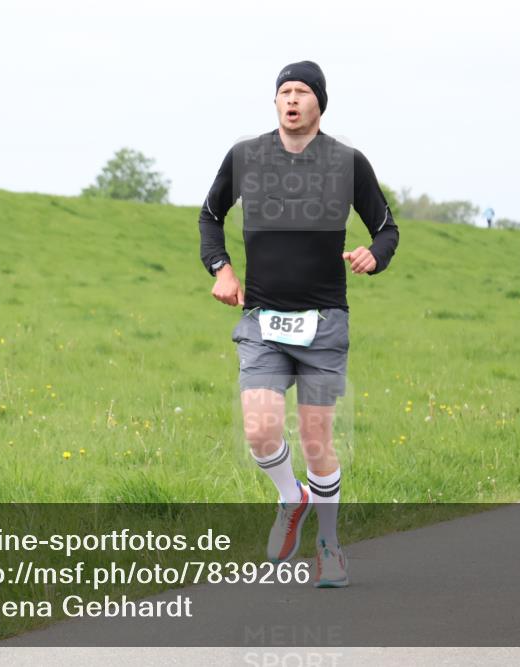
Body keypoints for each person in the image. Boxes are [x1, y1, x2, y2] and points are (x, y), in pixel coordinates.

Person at [198, 61, 399, 587]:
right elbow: (210, 215)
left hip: (324, 321)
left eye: (301, 92)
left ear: (319, 103)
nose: (290, 100)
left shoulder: (346, 161)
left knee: (316, 438)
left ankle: (329, 545)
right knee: (261, 430)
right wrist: (221, 268)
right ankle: (292, 498)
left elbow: (385, 227)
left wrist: (374, 256)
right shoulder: (246, 156)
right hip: (262, 318)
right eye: (283, 91)